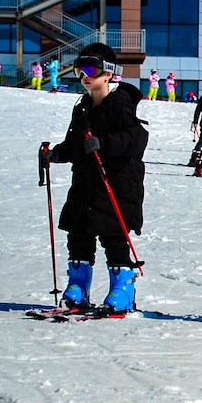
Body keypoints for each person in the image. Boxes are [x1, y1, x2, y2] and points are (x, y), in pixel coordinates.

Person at [42, 43, 148, 313]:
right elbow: (75, 144)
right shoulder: (82, 108)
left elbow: (137, 139)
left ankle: (122, 289)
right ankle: (78, 286)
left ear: (109, 73)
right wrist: (55, 154)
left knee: (113, 236)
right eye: (80, 69)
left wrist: (103, 143)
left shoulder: (121, 105)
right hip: (86, 183)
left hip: (117, 185)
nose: (85, 75)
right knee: (79, 232)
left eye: (91, 69)